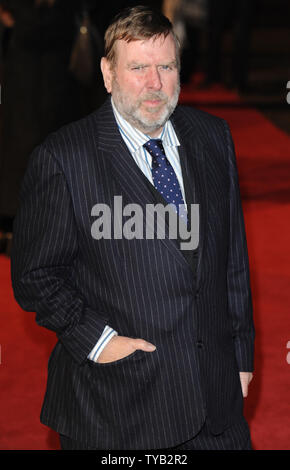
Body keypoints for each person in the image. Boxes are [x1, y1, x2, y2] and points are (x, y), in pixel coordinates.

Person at [11, 5, 255, 451]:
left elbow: (232, 257)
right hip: (121, 407)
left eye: (166, 66)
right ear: (108, 74)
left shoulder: (212, 136)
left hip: (217, 404)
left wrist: (240, 357)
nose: (154, 83)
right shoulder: (64, 159)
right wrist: (100, 342)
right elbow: (35, 276)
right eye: (138, 67)